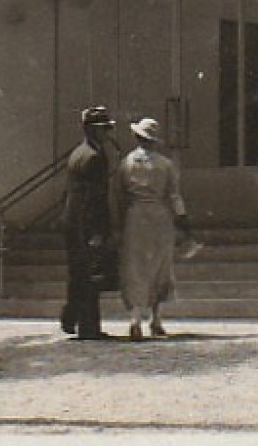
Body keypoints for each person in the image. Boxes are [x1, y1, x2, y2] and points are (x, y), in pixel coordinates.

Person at [115, 116, 191, 340]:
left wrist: (120, 221)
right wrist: (183, 220)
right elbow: (174, 195)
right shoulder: (166, 165)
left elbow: (119, 194)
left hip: (135, 217)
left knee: (135, 266)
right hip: (160, 216)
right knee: (160, 265)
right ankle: (156, 319)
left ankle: (135, 318)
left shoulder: (126, 163)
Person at [60, 105, 116, 340]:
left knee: (79, 273)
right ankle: (86, 325)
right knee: (90, 275)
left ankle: (76, 318)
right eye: (103, 128)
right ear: (92, 130)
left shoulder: (78, 153)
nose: (107, 133)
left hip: (73, 222)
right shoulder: (94, 157)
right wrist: (97, 231)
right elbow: (94, 198)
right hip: (86, 224)